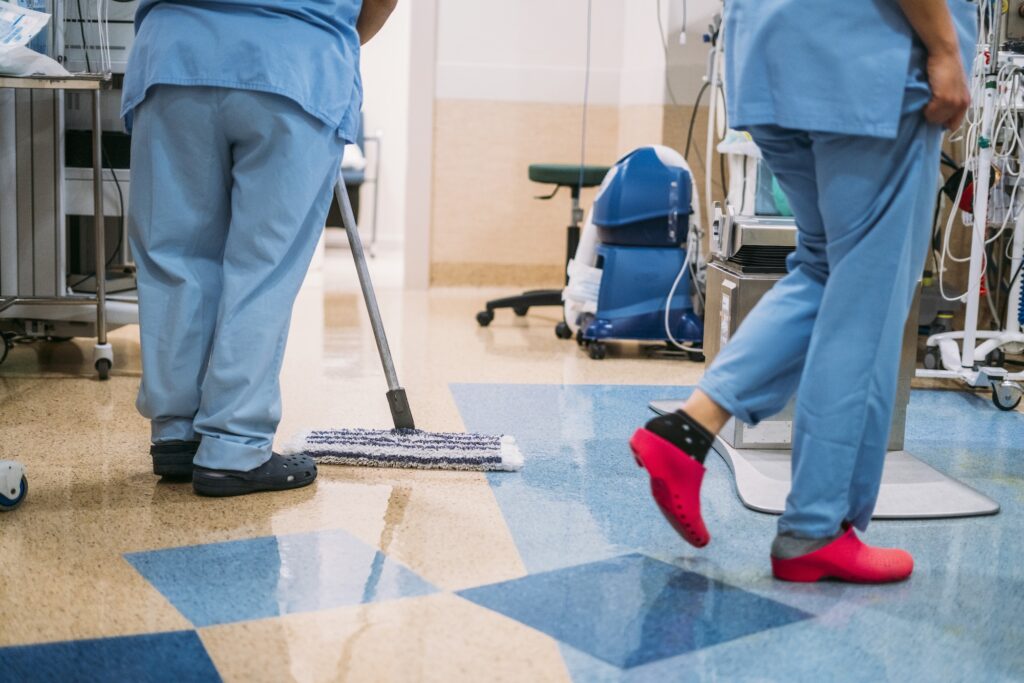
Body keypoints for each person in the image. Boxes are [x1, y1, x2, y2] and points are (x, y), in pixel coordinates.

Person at [630, 0, 977, 582]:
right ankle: (815, 529)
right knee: (867, 299)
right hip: (868, 65)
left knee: (823, 269)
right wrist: (944, 47)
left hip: (770, 59)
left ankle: (686, 429)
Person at [122, 0, 398, 497]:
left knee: (174, 258)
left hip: (176, 57)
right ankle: (234, 449)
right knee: (262, 270)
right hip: (296, 62)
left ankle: (177, 434)